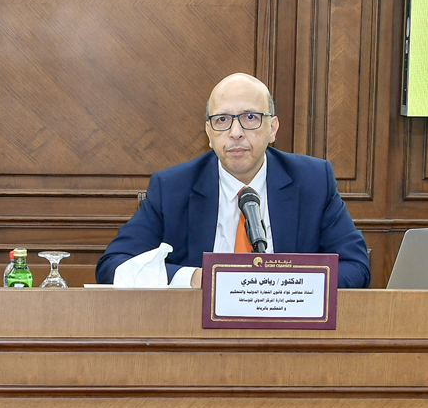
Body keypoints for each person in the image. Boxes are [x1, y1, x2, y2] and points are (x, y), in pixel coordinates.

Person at [96, 73, 370, 288]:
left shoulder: (313, 181)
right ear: (209, 132)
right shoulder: (172, 188)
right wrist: (193, 279)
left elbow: (356, 267)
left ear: (272, 128)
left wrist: (287, 283)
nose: (236, 132)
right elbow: (113, 266)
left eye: (250, 117)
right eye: (222, 120)